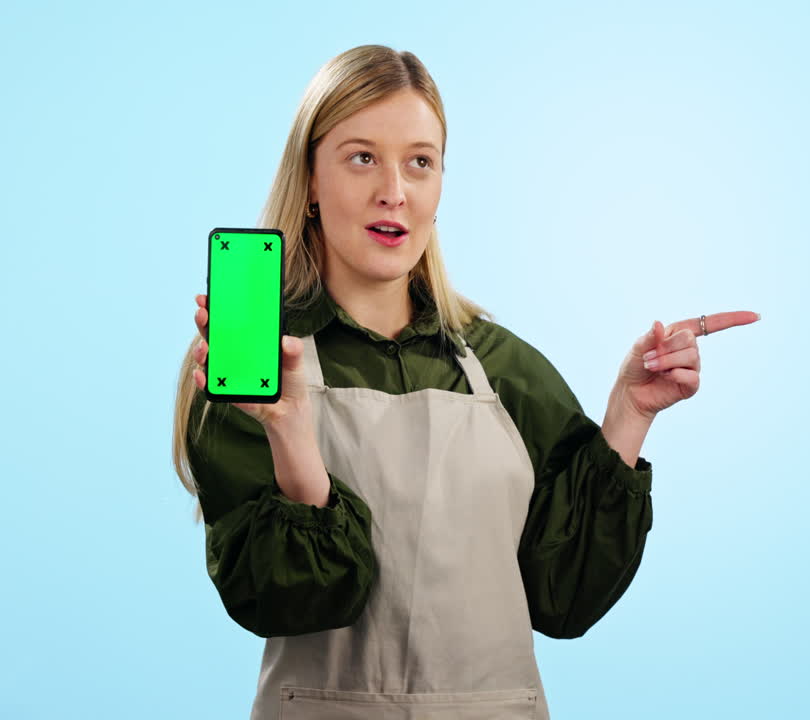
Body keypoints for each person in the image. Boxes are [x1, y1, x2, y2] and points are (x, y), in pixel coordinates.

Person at [170, 45, 759, 720]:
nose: (394, 189)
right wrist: (290, 433)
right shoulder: (250, 373)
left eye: (419, 161)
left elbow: (565, 601)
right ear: (309, 179)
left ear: (441, 184)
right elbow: (286, 600)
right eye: (362, 157)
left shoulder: (507, 370)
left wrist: (629, 414)